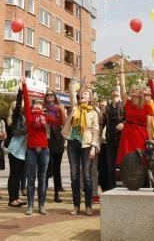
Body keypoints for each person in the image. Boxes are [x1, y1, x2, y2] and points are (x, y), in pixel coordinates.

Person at [22, 76, 63, 215]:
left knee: (42, 178)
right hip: (31, 150)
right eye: (36, 104)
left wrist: (60, 110)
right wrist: (24, 84)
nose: (39, 105)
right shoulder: (29, 116)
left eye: (40, 104)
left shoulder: (46, 117)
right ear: (33, 107)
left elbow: (59, 122)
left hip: (44, 150)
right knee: (31, 178)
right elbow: (26, 100)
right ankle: (30, 205)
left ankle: (41, 205)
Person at [61, 81, 99, 216]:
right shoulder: (75, 107)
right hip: (73, 144)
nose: (84, 95)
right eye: (83, 94)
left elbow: (95, 130)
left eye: (87, 94)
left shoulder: (93, 113)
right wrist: (81, 86)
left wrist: (94, 147)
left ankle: (88, 205)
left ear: (90, 98)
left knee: (87, 176)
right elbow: (73, 94)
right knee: (74, 176)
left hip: (87, 145)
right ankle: (76, 205)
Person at [6, 90, 27, 207]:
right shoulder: (16, 116)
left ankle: (16, 197)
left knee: (19, 175)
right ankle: (11, 199)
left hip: (23, 149)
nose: (22, 105)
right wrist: (20, 92)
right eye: (20, 104)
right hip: (15, 148)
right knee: (14, 174)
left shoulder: (24, 116)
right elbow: (18, 104)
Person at [45, 90, 66, 203]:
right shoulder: (44, 109)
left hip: (57, 140)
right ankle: (43, 193)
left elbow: (62, 121)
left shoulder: (58, 108)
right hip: (47, 141)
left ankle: (56, 194)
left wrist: (60, 110)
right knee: (46, 168)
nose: (49, 96)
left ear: (54, 97)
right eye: (47, 95)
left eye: (51, 94)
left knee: (57, 169)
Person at [103, 88, 125, 189]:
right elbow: (102, 122)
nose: (115, 93)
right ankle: (111, 188)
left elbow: (129, 119)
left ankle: (126, 187)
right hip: (110, 140)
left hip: (121, 139)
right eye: (113, 92)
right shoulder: (107, 108)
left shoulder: (123, 105)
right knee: (110, 167)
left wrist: (123, 124)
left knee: (123, 165)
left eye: (116, 92)